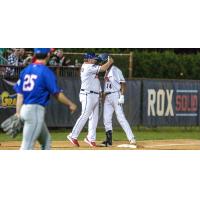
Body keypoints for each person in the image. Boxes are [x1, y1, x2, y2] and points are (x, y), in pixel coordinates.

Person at [14, 48, 77, 150]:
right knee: (27, 146)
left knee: (46, 140)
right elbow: (57, 94)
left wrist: (18, 112)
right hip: (35, 111)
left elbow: (20, 94)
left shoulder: (26, 70)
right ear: (48, 55)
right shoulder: (45, 71)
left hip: (24, 110)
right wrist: (70, 104)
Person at [67, 53, 114, 147]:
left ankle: (90, 138)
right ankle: (73, 135)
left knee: (94, 118)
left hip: (94, 94)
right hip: (87, 94)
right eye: (93, 59)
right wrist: (110, 61)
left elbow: (95, 80)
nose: (95, 60)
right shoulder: (88, 67)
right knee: (85, 115)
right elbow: (103, 68)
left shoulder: (91, 66)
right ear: (88, 59)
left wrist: (100, 92)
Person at [98, 53, 136, 147]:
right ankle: (109, 140)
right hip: (108, 97)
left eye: (102, 61)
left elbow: (123, 83)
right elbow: (108, 86)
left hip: (116, 95)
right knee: (106, 119)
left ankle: (131, 138)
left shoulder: (115, 70)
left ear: (107, 61)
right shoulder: (107, 71)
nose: (101, 63)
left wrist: (122, 95)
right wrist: (103, 95)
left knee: (121, 117)